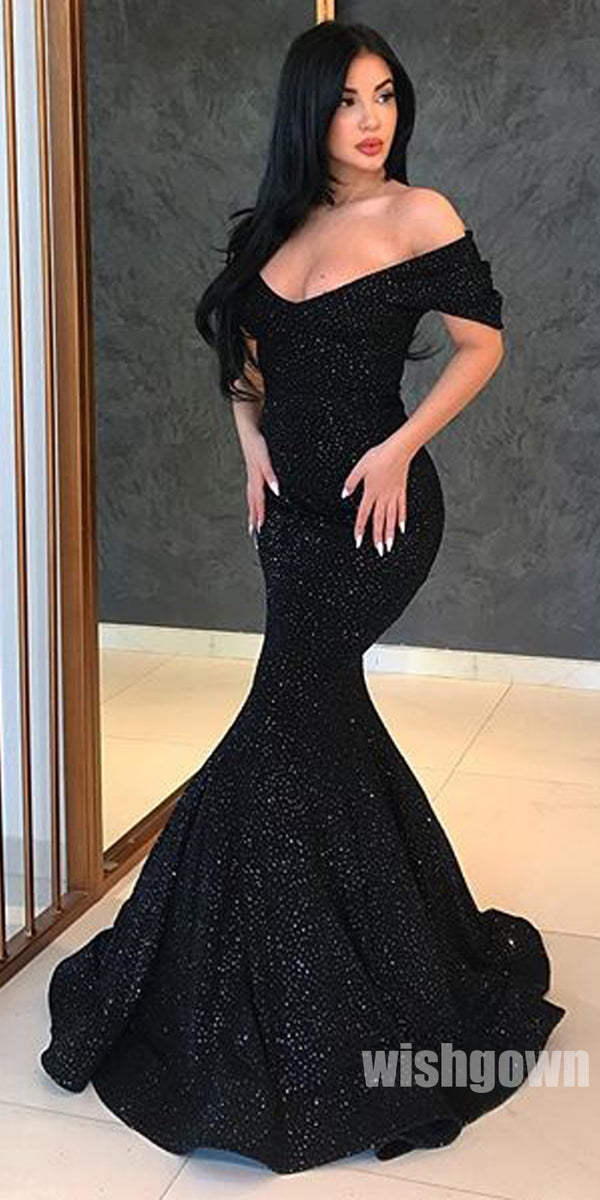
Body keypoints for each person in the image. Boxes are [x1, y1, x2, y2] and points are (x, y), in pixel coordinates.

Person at [40, 19, 566, 1174]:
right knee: (315, 725)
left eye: (386, 97)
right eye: (348, 101)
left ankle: (266, 974)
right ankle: (386, 939)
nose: (372, 120)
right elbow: (244, 359)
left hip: (379, 516)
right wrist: (249, 447)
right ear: (307, 114)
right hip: (291, 522)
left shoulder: (419, 215)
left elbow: (482, 345)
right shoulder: (276, 231)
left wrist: (402, 446)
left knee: (283, 716)